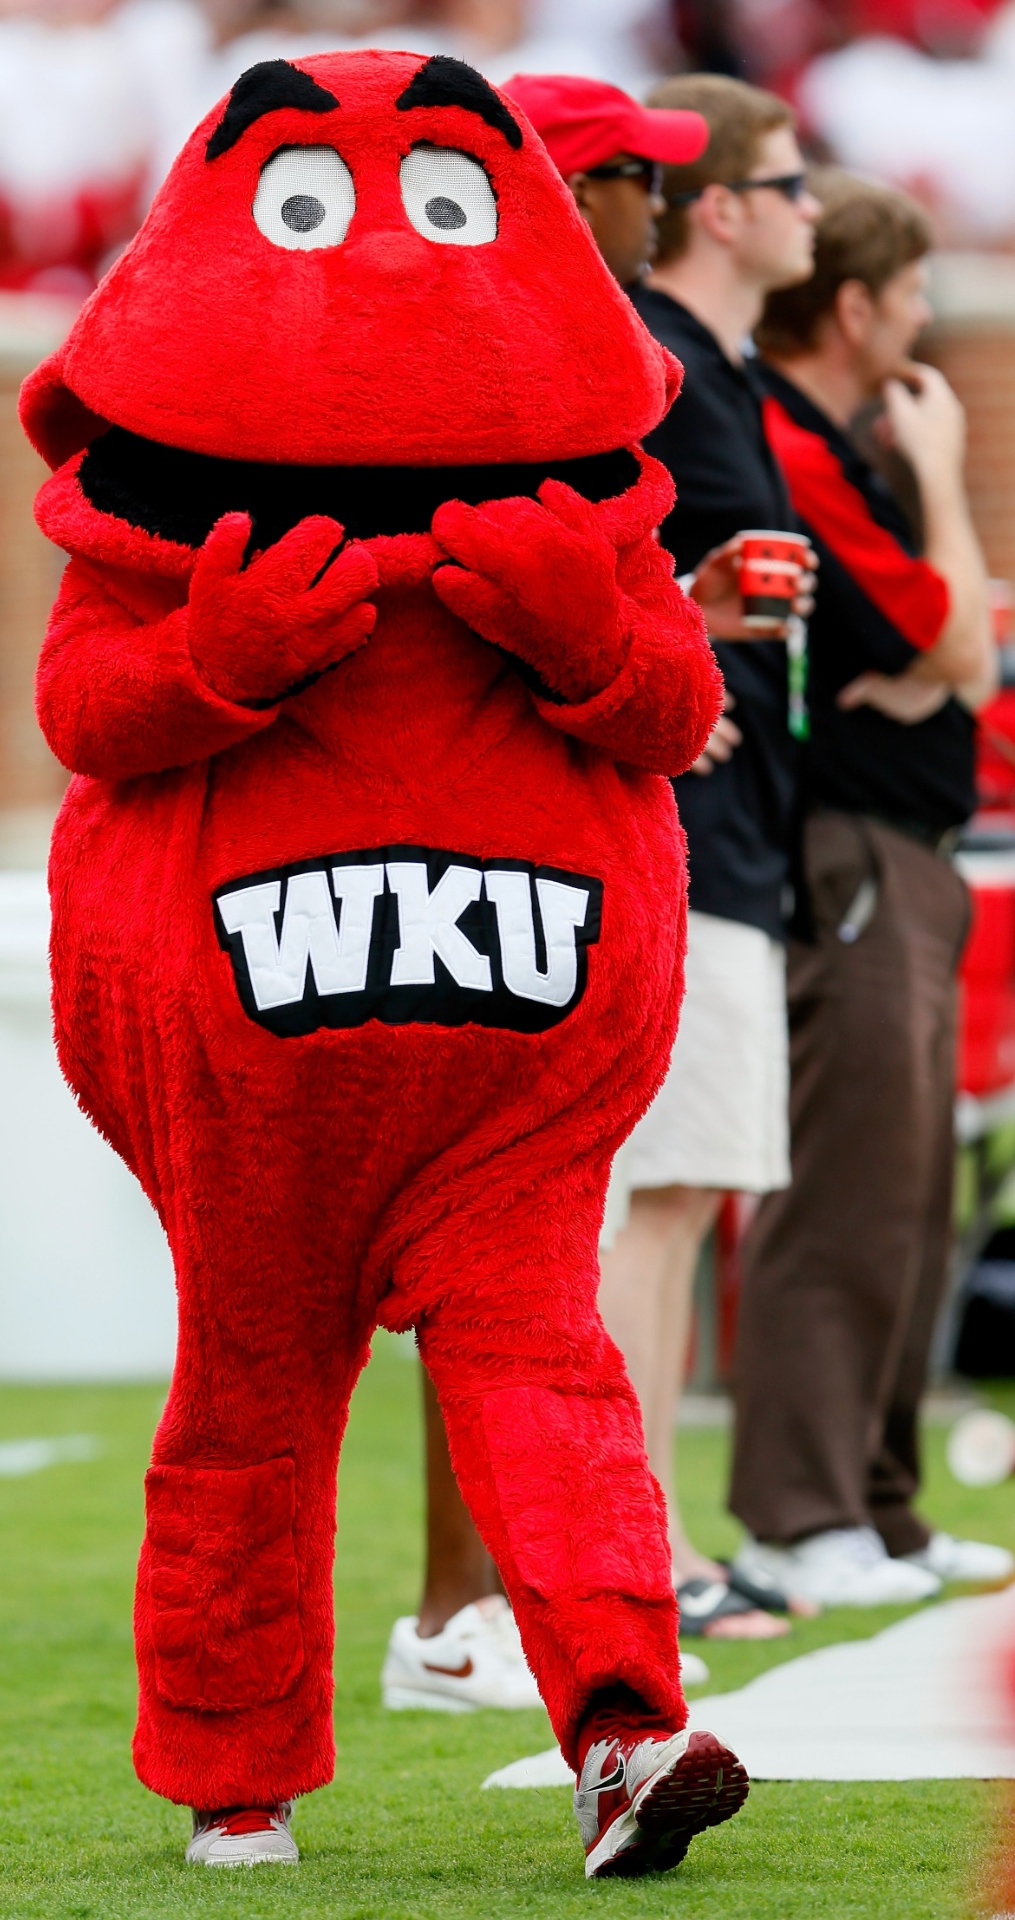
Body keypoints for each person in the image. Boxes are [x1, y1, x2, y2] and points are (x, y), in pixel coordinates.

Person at [26, 50, 748, 1878]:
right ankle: (232, 1776)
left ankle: (622, 1725)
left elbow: (673, 712)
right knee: (250, 1398)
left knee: (544, 1373)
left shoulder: (591, 517)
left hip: (502, 1063)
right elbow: (84, 712)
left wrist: (591, 640)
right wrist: (214, 656)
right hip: (254, 1065)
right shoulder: (157, 518)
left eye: (441, 207)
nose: (384, 265)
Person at [381, 69, 717, 1714]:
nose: (657, 208)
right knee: (471, 1286)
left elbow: (663, 686)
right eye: (634, 182)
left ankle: (515, 1610)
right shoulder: (478, 377)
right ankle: (453, 1614)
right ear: (567, 195)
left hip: (550, 873)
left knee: (517, 1286)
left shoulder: (606, 376)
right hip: (433, 890)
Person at [728, 169, 1014, 1605]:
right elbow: (950, 639)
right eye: (905, 302)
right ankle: (796, 1510)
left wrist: (928, 659)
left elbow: (936, 658)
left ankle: (880, 1506)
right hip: (842, 848)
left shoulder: (833, 439)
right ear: (853, 305)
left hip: (901, 845)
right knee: (842, 1182)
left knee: (905, 1183)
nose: (915, 336)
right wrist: (949, 481)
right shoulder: (788, 436)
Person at [602, 73, 823, 1643]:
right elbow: (578, 572)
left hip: (741, 825)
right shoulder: (655, 365)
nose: (808, 207)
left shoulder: (720, 370)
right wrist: (670, 651)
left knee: (686, 1194)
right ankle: (639, 1545)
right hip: (682, 824)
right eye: (790, 184)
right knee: (657, 1200)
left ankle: (652, 1539)